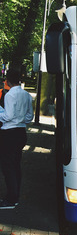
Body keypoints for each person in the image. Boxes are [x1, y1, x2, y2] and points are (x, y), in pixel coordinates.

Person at [0, 69, 34, 209]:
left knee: (8, 166)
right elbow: (29, 117)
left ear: (8, 81)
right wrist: (19, 119)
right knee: (15, 165)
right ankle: (15, 196)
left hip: (9, 133)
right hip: (21, 132)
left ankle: (11, 199)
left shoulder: (9, 95)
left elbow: (7, 116)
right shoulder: (26, 95)